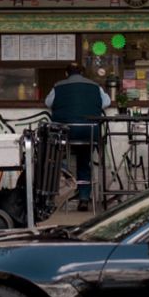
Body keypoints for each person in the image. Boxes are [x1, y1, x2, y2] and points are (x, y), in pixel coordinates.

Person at [45, 63, 110, 212]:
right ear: (83, 73)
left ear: (66, 74)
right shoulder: (95, 86)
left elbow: (48, 102)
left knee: (58, 159)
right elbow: (106, 102)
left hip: (65, 133)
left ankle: (61, 195)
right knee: (84, 161)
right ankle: (84, 198)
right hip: (89, 132)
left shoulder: (58, 86)